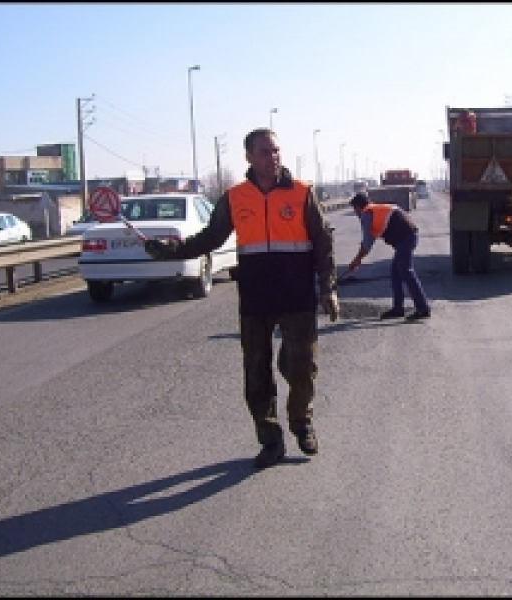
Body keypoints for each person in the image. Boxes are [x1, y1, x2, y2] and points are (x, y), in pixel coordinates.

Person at [143, 128, 339, 470]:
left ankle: (301, 423)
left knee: (301, 366)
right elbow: (211, 237)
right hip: (255, 297)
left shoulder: (302, 192)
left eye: (276, 151)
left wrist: (328, 288)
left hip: (296, 295)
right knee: (256, 374)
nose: (272, 157)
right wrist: (171, 251)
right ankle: (270, 440)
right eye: (264, 152)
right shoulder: (235, 197)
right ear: (249, 157)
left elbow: (323, 242)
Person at [345, 192, 430, 321]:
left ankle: (423, 309)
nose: (355, 213)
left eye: (354, 209)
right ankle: (398, 309)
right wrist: (359, 259)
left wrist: (356, 260)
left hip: (406, 238)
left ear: (358, 207)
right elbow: (370, 240)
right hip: (408, 236)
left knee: (406, 271)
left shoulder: (366, 214)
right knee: (396, 273)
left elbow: (367, 243)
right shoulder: (375, 209)